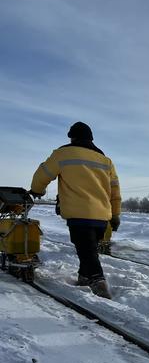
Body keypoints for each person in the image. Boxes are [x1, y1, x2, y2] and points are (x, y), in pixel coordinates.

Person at [30, 121, 121, 299]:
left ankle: (98, 280)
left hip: (79, 213)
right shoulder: (106, 161)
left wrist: (36, 190)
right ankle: (84, 277)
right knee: (89, 248)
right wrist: (115, 214)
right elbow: (115, 190)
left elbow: (43, 174)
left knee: (86, 250)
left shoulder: (63, 153)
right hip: (102, 215)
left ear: (72, 137)